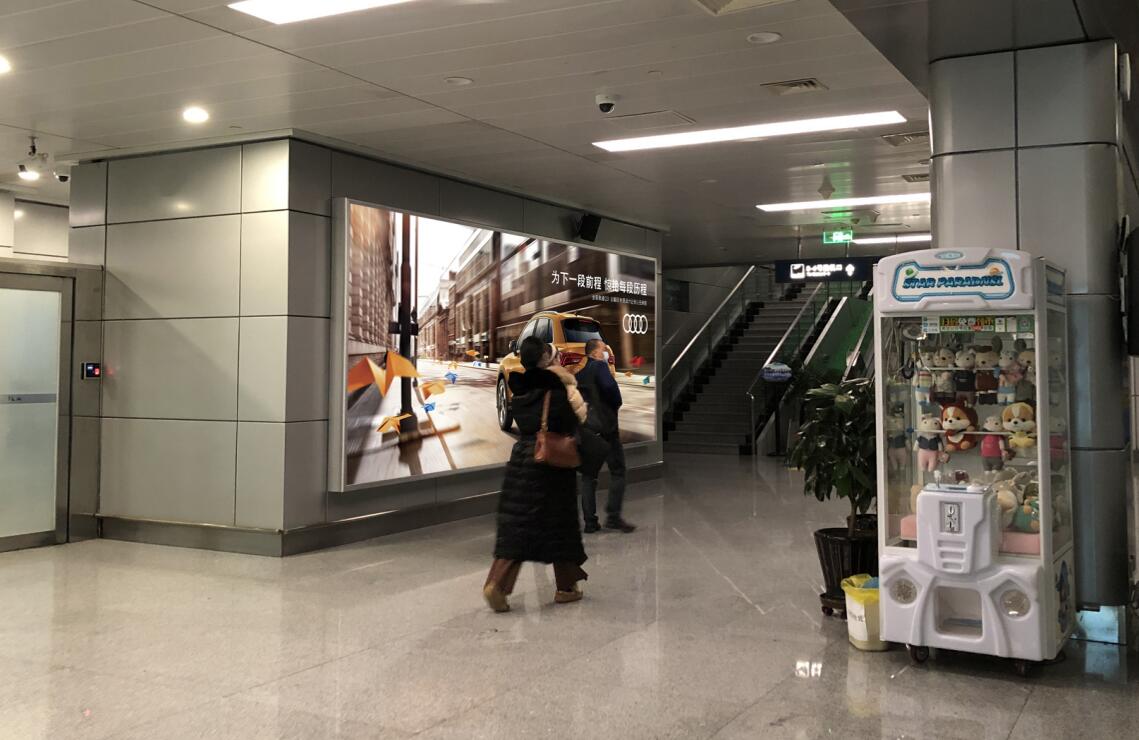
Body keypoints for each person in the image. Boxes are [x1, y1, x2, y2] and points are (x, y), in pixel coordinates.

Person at [484, 338, 589, 612]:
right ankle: (566, 587)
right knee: (561, 525)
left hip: (523, 458)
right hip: (551, 463)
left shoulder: (520, 389)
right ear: (545, 358)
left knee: (519, 527)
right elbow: (575, 421)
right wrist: (566, 382)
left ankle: (496, 584)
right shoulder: (556, 390)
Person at [576, 338, 636, 534]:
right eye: (603, 349)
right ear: (594, 352)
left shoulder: (580, 373)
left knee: (589, 476)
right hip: (606, 429)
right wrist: (615, 404)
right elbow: (612, 391)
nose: (606, 353)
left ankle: (590, 522)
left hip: (588, 430)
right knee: (618, 471)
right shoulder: (600, 366)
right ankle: (613, 517)